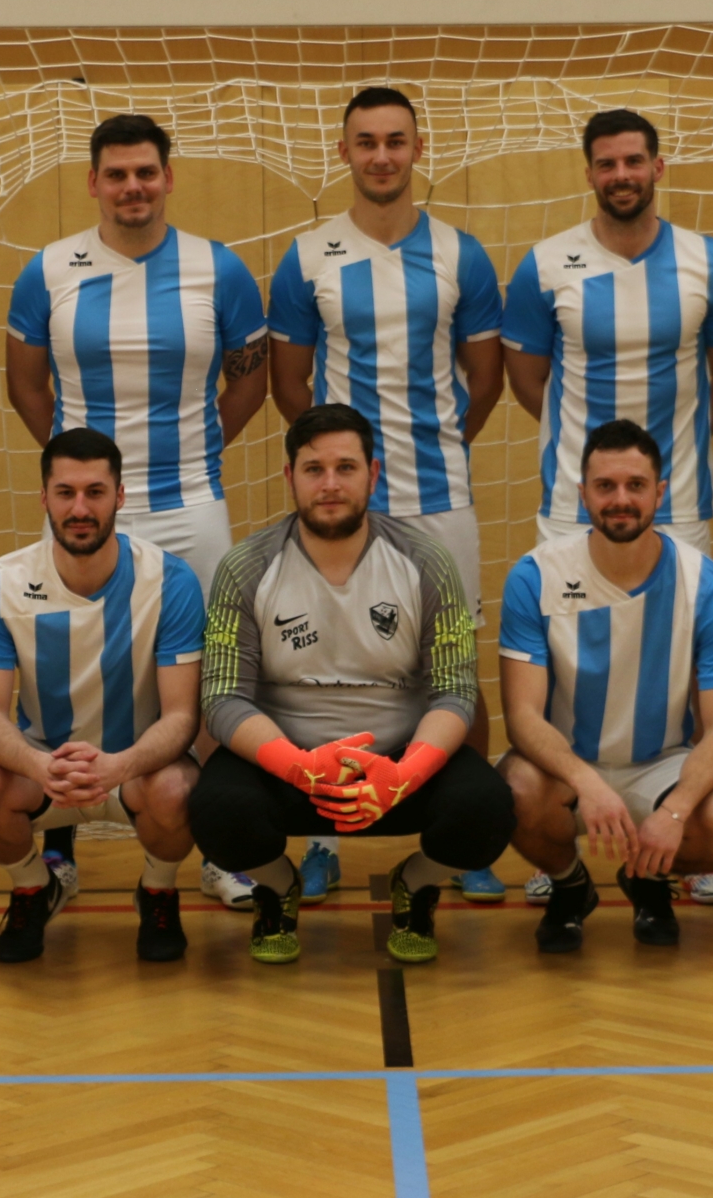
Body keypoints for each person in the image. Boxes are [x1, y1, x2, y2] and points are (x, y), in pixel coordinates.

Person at [4, 112, 269, 910]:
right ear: (93, 182)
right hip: (84, 515)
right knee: (60, 671)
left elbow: (250, 379)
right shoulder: (48, 270)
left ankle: (218, 849)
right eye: (116, 174)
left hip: (190, 503)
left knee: (214, 676)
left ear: (168, 177)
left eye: (146, 171)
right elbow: (25, 383)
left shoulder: (218, 269)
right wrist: (84, 480)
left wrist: (195, 452)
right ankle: (58, 849)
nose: (132, 187)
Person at [500, 107, 713, 906]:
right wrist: (601, 475)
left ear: (658, 167)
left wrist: (659, 465)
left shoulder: (708, 262)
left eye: (634, 160)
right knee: (571, 673)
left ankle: (681, 828)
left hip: (676, 505)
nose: (621, 175)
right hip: (572, 508)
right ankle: (560, 835)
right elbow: (528, 381)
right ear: (589, 172)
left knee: (679, 669)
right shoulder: (546, 264)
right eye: (606, 162)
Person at [267, 86, 506, 906]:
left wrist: (432, 447)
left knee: (454, 664)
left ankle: (464, 841)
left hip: (440, 495)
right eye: (365, 141)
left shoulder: (462, 255)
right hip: (339, 506)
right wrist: (342, 473)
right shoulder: (306, 258)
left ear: (416, 149)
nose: (381, 156)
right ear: (344, 152)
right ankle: (324, 834)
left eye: (395, 141)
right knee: (325, 665)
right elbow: (291, 385)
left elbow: (485, 380)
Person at [187, 404, 515, 966]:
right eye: (314, 469)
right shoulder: (245, 567)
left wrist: (404, 773)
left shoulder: (428, 561)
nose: (330, 484)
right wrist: (298, 766)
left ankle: (416, 883)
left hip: (398, 768)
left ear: (373, 474)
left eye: (346, 467)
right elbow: (222, 698)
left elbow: (455, 691)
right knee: (214, 809)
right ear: (289, 477)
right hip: (289, 769)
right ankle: (277, 887)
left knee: (488, 809)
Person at [497, 421, 713, 951]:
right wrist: (587, 783)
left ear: (660, 492)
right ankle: (570, 886)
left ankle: (648, 878)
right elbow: (522, 716)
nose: (620, 499)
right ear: (582, 494)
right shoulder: (535, 576)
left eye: (636, 485)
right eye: (605, 486)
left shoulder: (708, 586)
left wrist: (675, 812)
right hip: (567, 764)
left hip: (662, 763)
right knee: (513, 791)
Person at [0, 430, 206, 964]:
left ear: (120, 496)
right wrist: (39, 766)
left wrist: (120, 765)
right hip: (44, 767)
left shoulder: (171, 581)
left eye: (95, 492)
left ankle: (158, 890)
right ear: (44, 498)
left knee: (180, 789)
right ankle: (33, 886)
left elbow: (183, 716)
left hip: (138, 765)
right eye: (65, 493)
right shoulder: (2, 582)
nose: (80, 509)